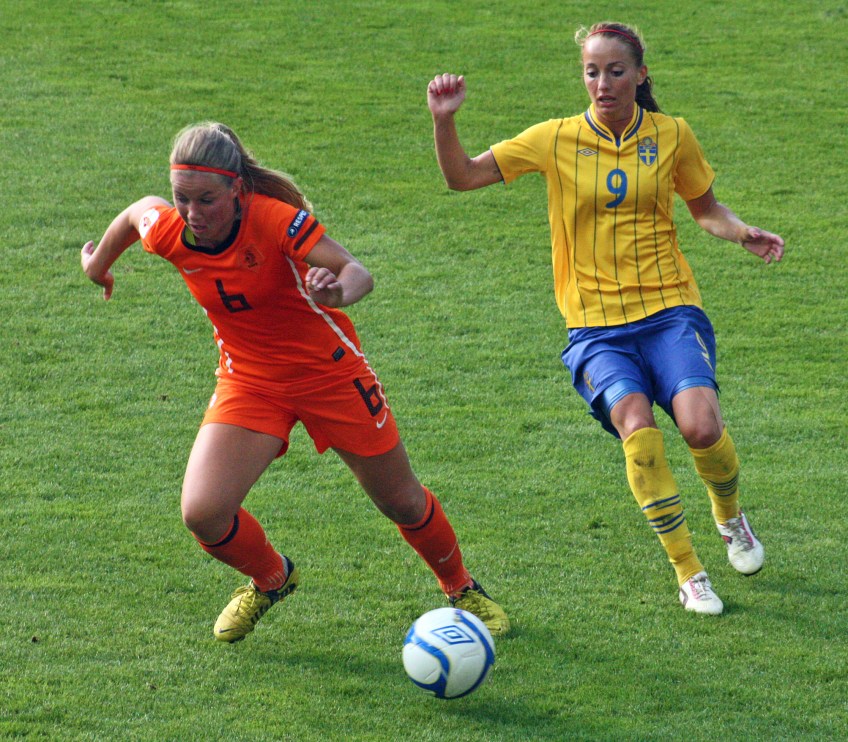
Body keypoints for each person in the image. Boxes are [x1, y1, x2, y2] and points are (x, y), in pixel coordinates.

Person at [81, 122, 509, 640]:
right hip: (250, 381)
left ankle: (461, 587)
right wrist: (97, 265)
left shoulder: (273, 219)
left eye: (207, 200)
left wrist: (336, 292)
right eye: (183, 198)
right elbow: (136, 214)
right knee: (203, 513)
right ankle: (272, 578)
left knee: (401, 501)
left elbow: (356, 271)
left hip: (330, 375)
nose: (193, 213)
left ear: (237, 190)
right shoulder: (172, 232)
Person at [427, 22, 784, 615]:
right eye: (592, 72)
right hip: (596, 328)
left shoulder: (672, 135)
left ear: (640, 75)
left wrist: (741, 232)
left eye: (615, 71)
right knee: (637, 430)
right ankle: (689, 572)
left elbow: (705, 209)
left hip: (669, 311)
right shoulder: (555, 139)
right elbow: (461, 176)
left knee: (701, 427)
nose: (602, 84)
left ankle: (730, 517)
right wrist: (444, 121)